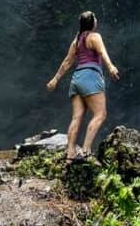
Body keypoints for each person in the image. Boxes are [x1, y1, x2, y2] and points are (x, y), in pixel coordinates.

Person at [46, 10, 120, 161]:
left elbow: (67, 62)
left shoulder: (77, 40)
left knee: (76, 117)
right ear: (92, 23)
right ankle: (85, 151)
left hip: (77, 79)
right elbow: (102, 52)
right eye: (95, 18)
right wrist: (111, 67)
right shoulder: (95, 36)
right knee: (100, 114)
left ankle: (70, 153)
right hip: (90, 77)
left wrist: (55, 79)